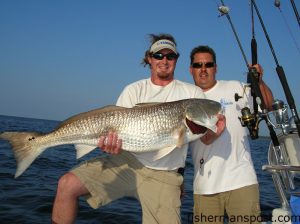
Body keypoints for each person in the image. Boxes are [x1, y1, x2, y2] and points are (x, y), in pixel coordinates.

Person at [52, 34, 225, 224]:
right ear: (149, 59)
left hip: (165, 173)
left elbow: (197, 139)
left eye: (170, 56)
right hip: (126, 162)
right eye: (159, 56)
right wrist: (111, 146)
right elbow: (116, 135)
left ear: (176, 60)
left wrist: (214, 131)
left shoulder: (192, 93)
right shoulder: (133, 90)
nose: (164, 61)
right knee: (66, 184)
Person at [189, 45, 274, 224]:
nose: (203, 69)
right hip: (205, 187)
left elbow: (267, 104)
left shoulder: (235, 87)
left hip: (241, 181)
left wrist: (259, 80)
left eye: (208, 64)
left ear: (216, 68)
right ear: (191, 69)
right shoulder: (186, 97)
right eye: (198, 65)